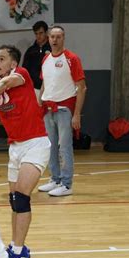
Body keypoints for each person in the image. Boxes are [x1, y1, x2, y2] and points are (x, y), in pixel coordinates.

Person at [0, 45, 50, 258]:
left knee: (21, 197)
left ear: (13, 64)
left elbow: (6, 83)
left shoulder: (23, 76)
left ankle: (19, 251)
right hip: (15, 148)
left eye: (2, 58)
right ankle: (14, 246)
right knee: (14, 202)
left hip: (36, 143)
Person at [37, 25, 87, 197]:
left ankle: (66, 184)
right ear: (48, 38)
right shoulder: (45, 60)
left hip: (65, 109)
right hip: (47, 109)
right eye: (52, 36)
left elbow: (82, 88)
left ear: (63, 38)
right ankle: (55, 179)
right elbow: (44, 84)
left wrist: (77, 114)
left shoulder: (72, 58)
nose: (55, 40)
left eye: (59, 37)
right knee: (50, 146)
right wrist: (39, 104)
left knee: (64, 147)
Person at [22, 21, 51, 100]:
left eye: (41, 33)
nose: (38, 36)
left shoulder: (53, 49)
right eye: (36, 33)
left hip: (50, 89)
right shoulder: (30, 51)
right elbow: (24, 70)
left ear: (46, 32)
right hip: (33, 89)